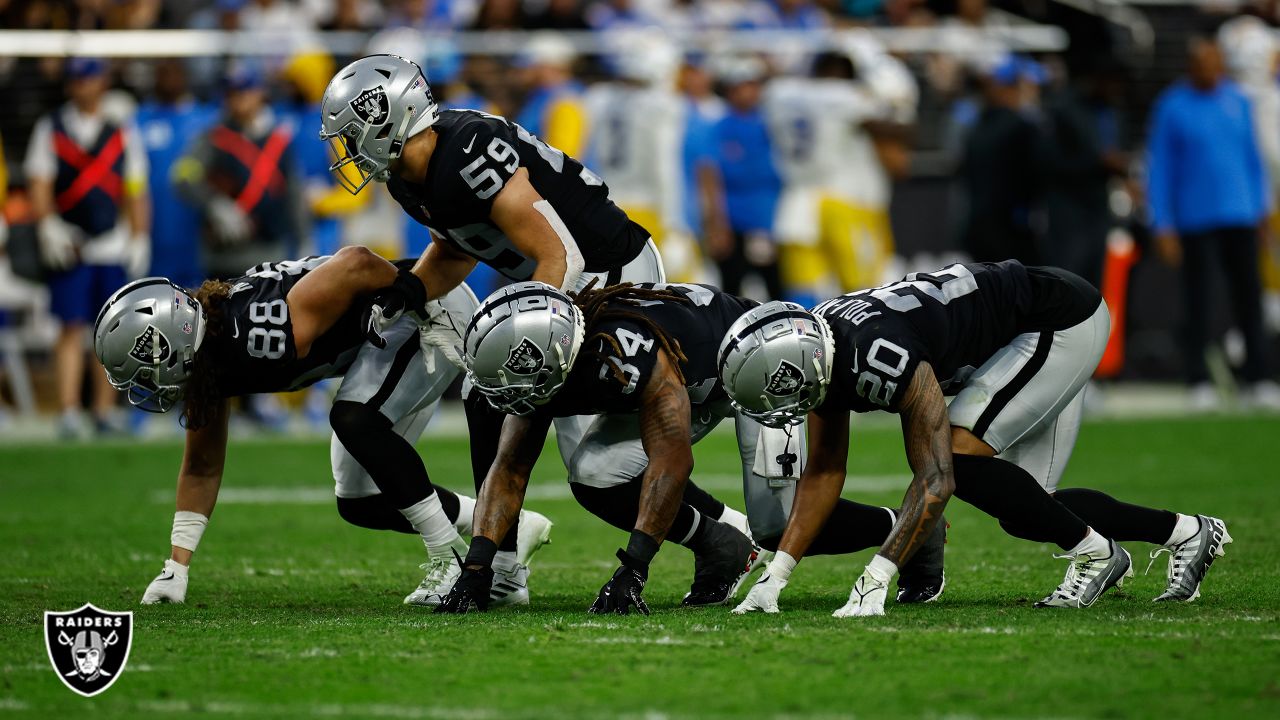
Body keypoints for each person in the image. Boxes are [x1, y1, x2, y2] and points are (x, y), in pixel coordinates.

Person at [319, 52, 667, 579]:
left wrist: (526, 328)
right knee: (489, 397)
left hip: (609, 275)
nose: (346, 149)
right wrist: (408, 290)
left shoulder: (469, 153)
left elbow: (561, 254)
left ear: (388, 118)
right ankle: (503, 567)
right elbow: (459, 249)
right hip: (564, 276)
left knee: (600, 468)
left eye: (351, 133)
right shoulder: (410, 175)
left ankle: (723, 533)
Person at [719, 261, 1232, 615]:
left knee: (959, 461)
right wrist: (776, 575)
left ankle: (1096, 553)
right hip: (1018, 332)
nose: (781, 406)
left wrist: (875, 578)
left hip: (1055, 322)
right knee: (1028, 508)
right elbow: (826, 472)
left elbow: (936, 478)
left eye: (779, 389)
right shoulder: (827, 350)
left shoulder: (876, 356)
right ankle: (1185, 532)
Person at [435, 280, 945, 614]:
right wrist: (477, 566)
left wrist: (633, 568)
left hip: (757, 373)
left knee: (776, 522)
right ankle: (721, 544)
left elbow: (672, 457)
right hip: (688, 386)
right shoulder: (559, 358)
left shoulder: (627, 353)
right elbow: (509, 467)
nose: (504, 393)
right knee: (595, 474)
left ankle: (909, 530)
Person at [92, 249, 551, 607]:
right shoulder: (210, 358)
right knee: (360, 500)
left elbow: (354, 263)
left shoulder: (253, 332)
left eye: (144, 372)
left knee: (355, 419)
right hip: (382, 336)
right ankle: (504, 525)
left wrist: (412, 291)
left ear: (171, 345)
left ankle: (449, 556)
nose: (145, 387)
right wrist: (177, 567)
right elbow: (201, 468)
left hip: (422, 308)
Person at [1148, 33, 1278, 411]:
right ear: (1191, 66)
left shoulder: (1239, 101)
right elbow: (1161, 168)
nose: (1208, 70)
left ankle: (1258, 377)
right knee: (1199, 301)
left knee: (1249, 298)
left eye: (1213, 63)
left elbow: (1253, 162)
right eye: (1201, 64)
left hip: (1240, 214)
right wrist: (1163, 222)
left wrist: (1262, 211)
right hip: (1195, 217)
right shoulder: (1172, 105)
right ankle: (1198, 379)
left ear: (1221, 64)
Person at [24, 57, 150, 438]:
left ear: (102, 83)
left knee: (112, 330)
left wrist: (139, 235)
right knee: (69, 327)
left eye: (90, 79)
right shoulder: (51, 128)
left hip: (110, 242)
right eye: (78, 80)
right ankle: (67, 410)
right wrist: (47, 225)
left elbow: (135, 189)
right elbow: (40, 182)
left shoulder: (121, 132)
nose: (84, 87)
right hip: (71, 241)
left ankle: (104, 409)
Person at [763, 49, 910, 307]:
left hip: (796, 200)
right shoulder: (845, 96)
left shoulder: (779, 93)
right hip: (844, 200)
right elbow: (893, 128)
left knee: (803, 290)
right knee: (865, 292)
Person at [174, 63, 307, 279]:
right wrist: (214, 204)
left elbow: (294, 194)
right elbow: (182, 177)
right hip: (223, 256)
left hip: (269, 256)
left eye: (244, 91)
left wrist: (303, 242)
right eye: (232, 93)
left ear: (260, 93)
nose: (237, 100)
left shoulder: (280, 140)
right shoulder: (212, 138)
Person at [135, 58, 215, 290]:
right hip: (153, 234)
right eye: (163, 72)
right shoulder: (138, 121)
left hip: (197, 235)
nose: (169, 78)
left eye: (174, 72)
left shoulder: (207, 120)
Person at [710, 56, 783, 299]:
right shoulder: (720, 127)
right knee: (732, 294)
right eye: (740, 86)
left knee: (777, 292)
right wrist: (717, 225)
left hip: (769, 220)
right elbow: (713, 177)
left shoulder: (772, 122)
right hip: (734, 223)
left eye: (752, 85)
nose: (747, 93)